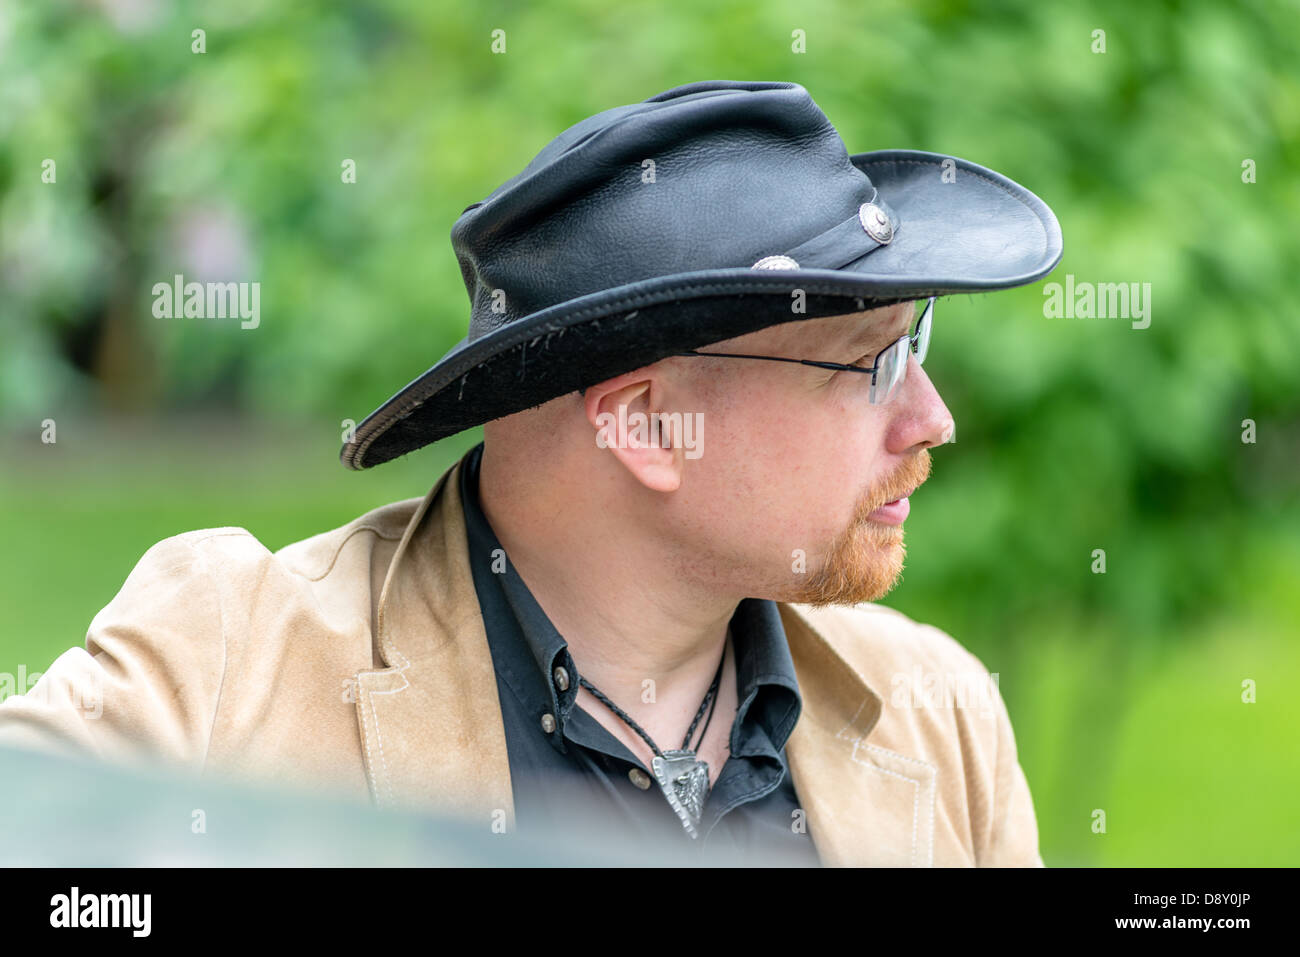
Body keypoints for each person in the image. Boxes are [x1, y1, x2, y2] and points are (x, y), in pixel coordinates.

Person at [0, 80, 1063, 866]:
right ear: (645, 426)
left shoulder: (938, 707)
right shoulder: (224, 674)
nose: (933, 419)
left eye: (913, 346)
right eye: (869, 362)